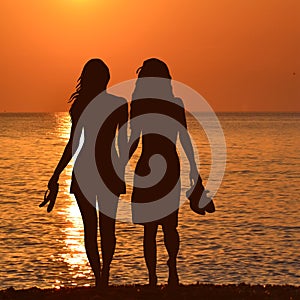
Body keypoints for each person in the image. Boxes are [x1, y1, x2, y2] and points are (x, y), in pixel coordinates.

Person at [42, 58, 128, 287]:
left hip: (85, 171)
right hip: (108, 170)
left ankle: (100, 278)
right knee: (107, 228)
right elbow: (125, 142)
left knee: (90, 228)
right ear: (106, 79)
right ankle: (104, 276)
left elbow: (73, 145)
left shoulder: (80, 106)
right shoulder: (119, 104)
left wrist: (56, 175)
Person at [128, 58, 199, 287]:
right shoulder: (174, 104)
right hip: (170, 166)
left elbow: (134, 140)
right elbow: (185, 139)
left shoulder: (139, 105)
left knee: (150, 229)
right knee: (170, 225)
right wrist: (193, 171)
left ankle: (153, 278)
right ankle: (172, 270)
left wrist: (119, 164)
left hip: (148, 166)